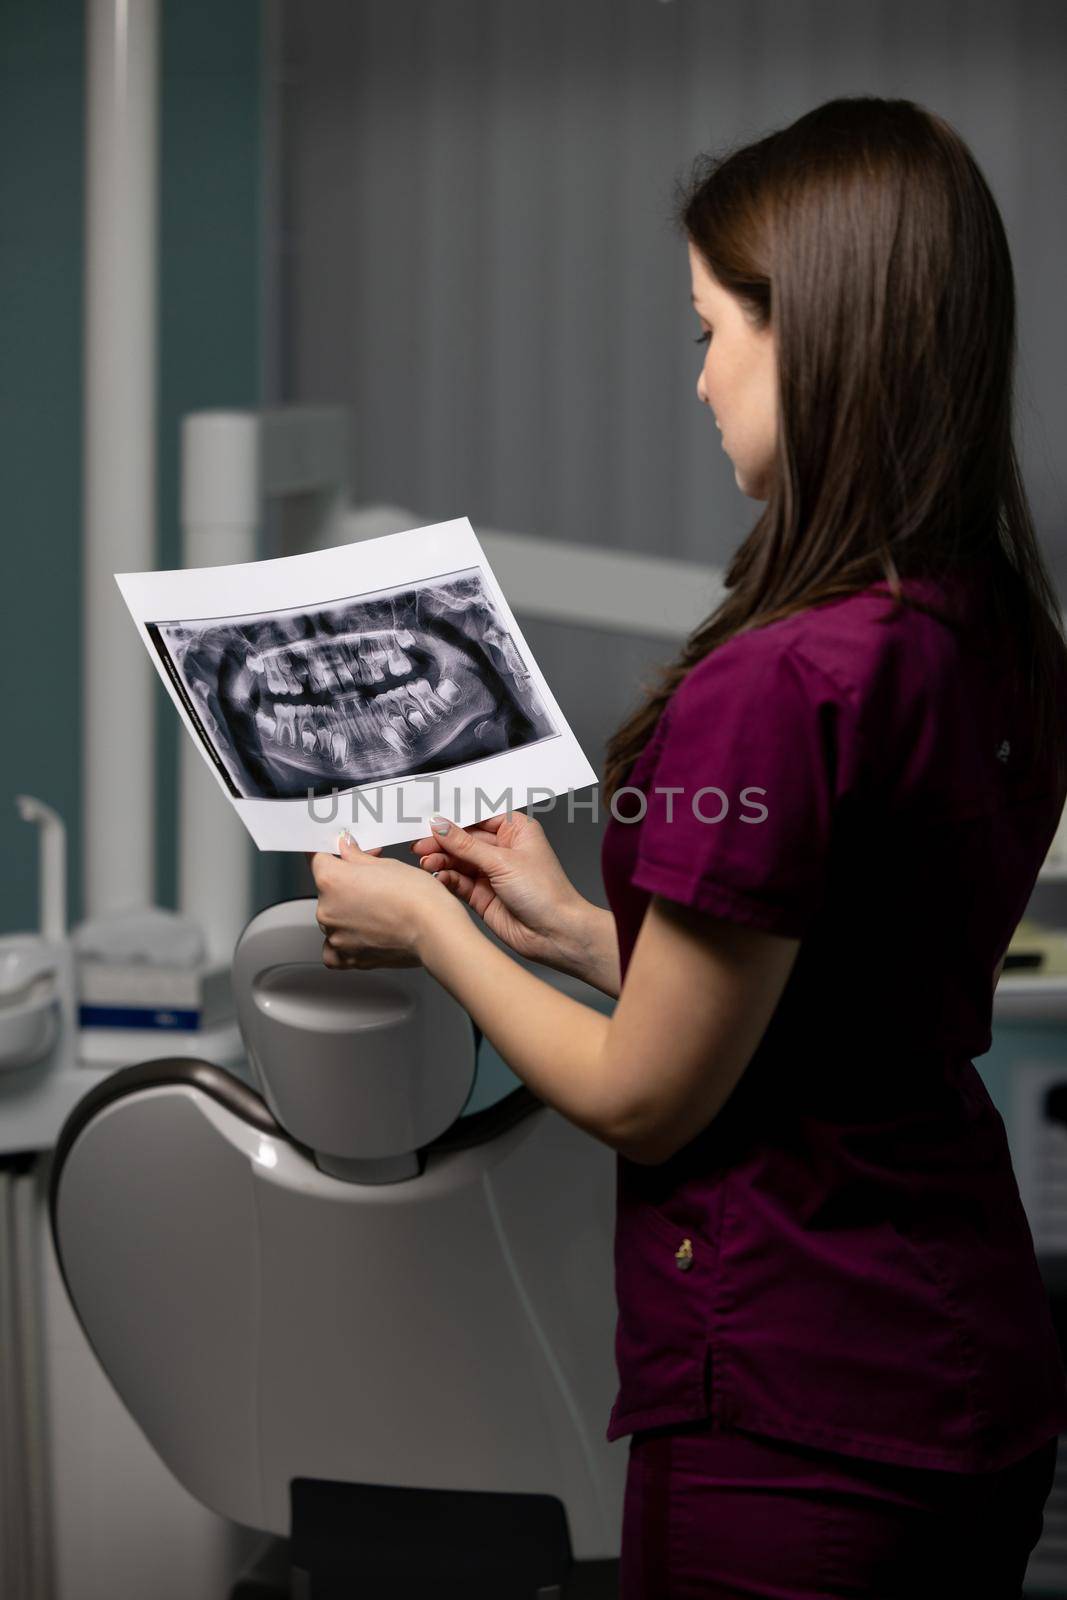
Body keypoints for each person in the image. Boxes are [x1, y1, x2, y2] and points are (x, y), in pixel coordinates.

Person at [309, 95, 1067, 1597]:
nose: (700, 378)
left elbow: (649, 1097)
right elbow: (836, 995)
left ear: (825, 343)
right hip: (965, 1372)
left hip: (796, 1406)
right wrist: (570, 929)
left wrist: (432, 935)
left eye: (714, 330)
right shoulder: (993, 636)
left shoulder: (778, 683)